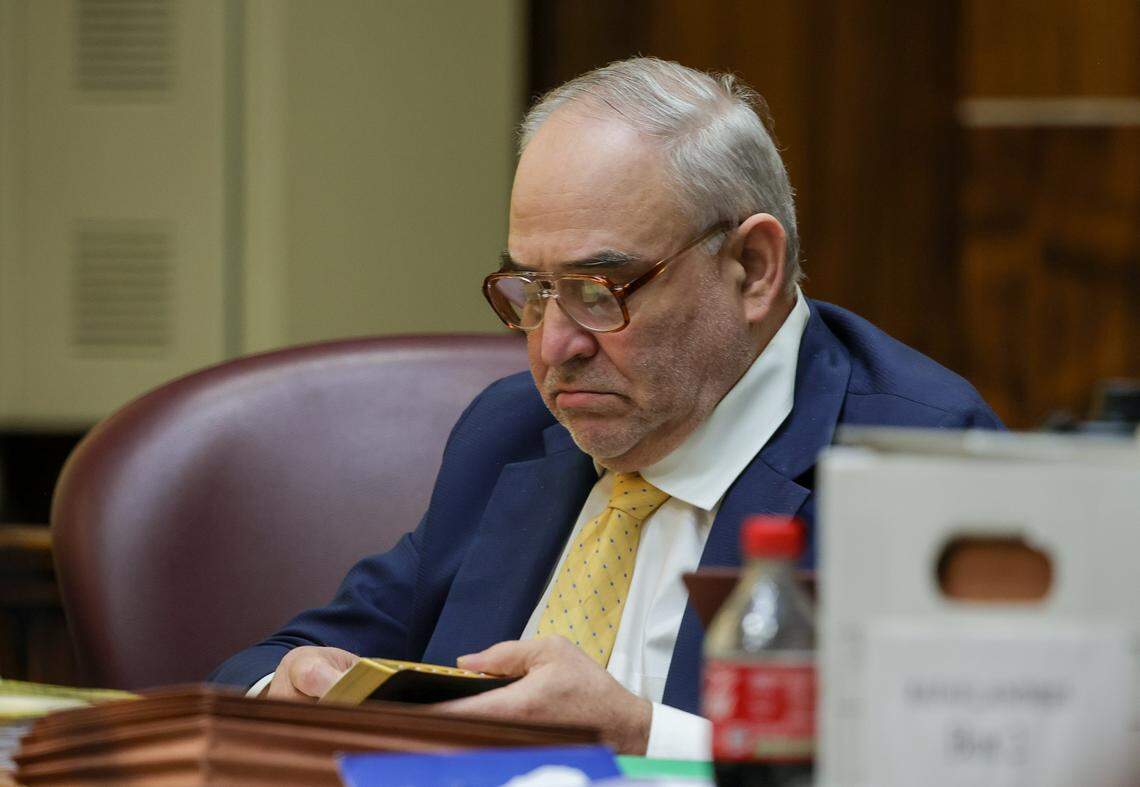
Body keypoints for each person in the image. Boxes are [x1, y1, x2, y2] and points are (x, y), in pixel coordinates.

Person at [210, 57, 1000, 758]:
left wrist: (644, 737)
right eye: (533, 290)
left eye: (599, 291)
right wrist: (291, 692)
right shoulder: (512, 431)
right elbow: (279, 663)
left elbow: (966, 764)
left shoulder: (917, 459)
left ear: (754, 267)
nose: (554, 346)